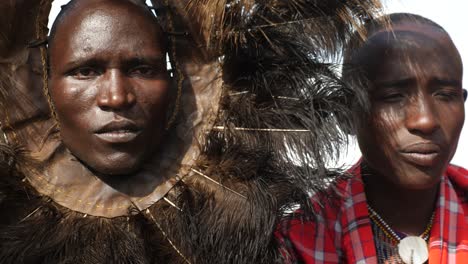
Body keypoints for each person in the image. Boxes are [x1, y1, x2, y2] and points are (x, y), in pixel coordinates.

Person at [0, 0, 381, 263]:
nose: (116, 97)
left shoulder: (267, 237)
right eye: (85, 71)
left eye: (142, 69)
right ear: (44, 86)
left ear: (176, 83)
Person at [278, 13, 468, 264]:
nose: (426, 120)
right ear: (346, 113)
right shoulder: (297, 243)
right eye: (393, 96)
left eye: (445, 95)